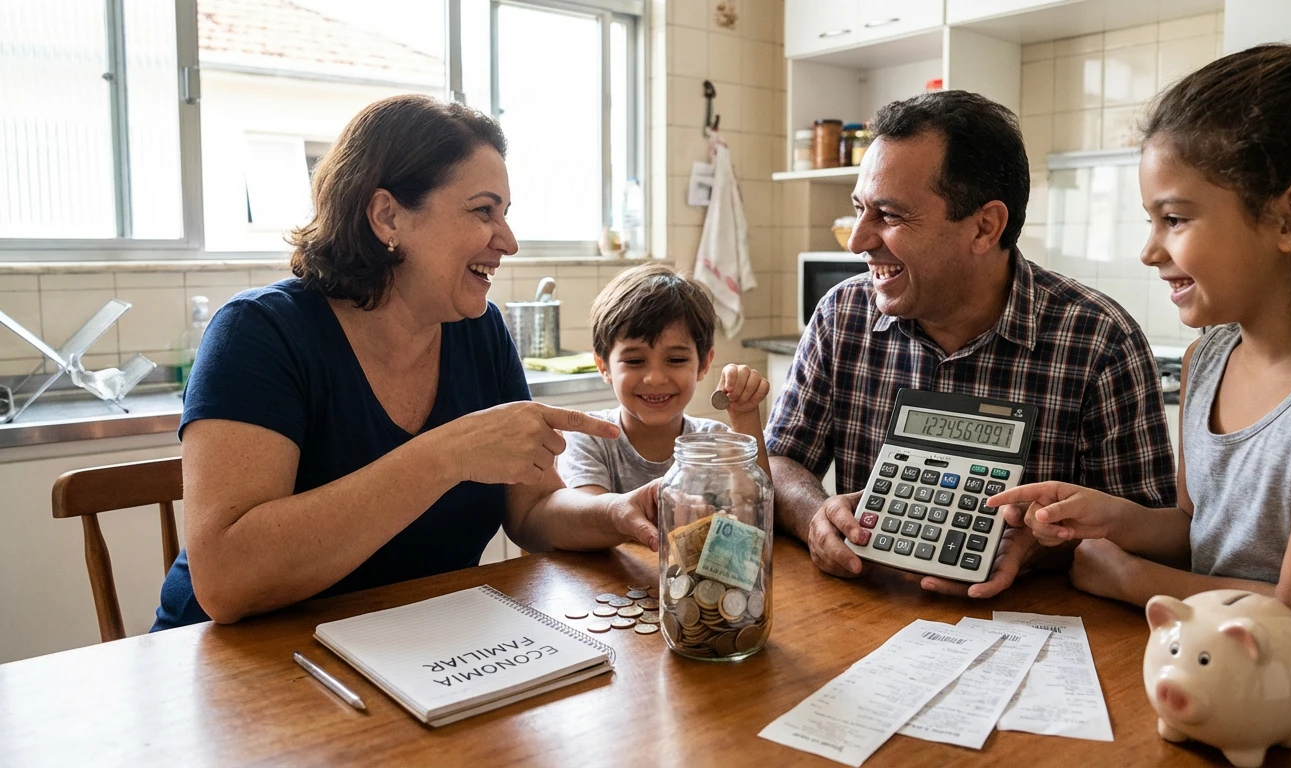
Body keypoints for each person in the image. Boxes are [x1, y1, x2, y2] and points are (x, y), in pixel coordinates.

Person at [152, 95, 659, 629]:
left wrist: (614, 513)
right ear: (387, 216)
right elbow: (226, 581)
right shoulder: (258, 333)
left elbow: (531, 510)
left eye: (505, 214)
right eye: (483, 210)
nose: (507, 241)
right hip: (234, 667)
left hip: (414, 648)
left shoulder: (479, 331)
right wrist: (446, 456)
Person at [989, 45, 1291, 659]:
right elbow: (1196, 532)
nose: (1150, 250)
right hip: (1223, 672)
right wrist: (1108, 517)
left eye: (1175, 219)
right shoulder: (1207, 361)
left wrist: (1132, 580)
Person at [766, 90, 1177, 598]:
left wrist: (1038, 547)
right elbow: (780, 462)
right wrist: (816, 518)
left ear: (985, 227)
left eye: (890, 215)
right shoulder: (840, 316)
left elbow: (1149, 529)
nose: (858, 241)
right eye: (860, 209)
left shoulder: (1099, 341)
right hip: (865, 614)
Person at [557, 264, 771, 496]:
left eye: (676, 359)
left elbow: (755, 513)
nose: (655, 379)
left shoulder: (715, 444)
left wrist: (745, 416)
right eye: (635, 361)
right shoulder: (588, 440)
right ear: (603, 366)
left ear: (704, 364)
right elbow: (593, 521)